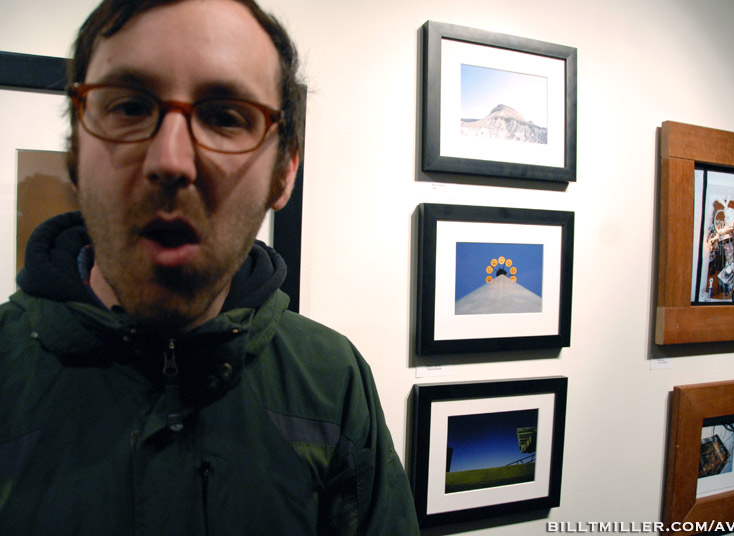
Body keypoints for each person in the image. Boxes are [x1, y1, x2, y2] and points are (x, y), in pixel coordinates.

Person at [0, 0, 420, 534]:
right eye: (128, 107)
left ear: (285, 173)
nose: (170, 161)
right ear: (75, 151)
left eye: (226, 117)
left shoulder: (330, 377)